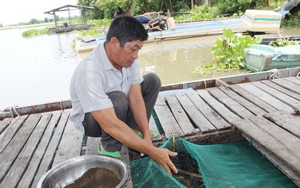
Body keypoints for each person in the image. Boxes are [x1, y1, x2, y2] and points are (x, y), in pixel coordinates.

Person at [69, 15, 178, 175]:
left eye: (138, 49)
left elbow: (136, 97)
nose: (136, 55)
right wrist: (151, 150)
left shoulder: (129, 60)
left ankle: (134, 131)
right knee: (117, 99)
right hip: (93, 121)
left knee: (151, 81)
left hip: (119, 111)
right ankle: (108, 146)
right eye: (133, 48)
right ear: (114, 43)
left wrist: (146, 135)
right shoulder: (88, 71)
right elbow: (110, 124)